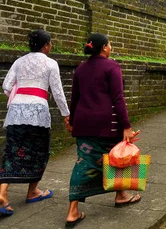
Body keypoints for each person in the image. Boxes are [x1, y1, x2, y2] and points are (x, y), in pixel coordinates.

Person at [66, 33, 139, 227]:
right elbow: (118, 99)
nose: (111, 47)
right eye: (110, 44)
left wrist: (72, 121)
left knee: (83, 163)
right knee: (117, 159)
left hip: (83, 124)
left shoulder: (81, 69)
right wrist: (126, 126)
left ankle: (73, 210)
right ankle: (121, 195)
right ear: (104, 47)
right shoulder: (112, 66)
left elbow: (75, 99)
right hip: (107, 124)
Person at [0, 30, 70, 218]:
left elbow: (6, 85)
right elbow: (57, 92)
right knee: (40, 150)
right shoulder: (50, 63)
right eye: (50, 43)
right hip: (37, 113)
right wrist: (66, 114)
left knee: (12, 151)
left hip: (16, 112)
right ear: (46, 45)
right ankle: (33, 191)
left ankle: (2, 193)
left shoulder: (19, 61)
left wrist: (19, 94)